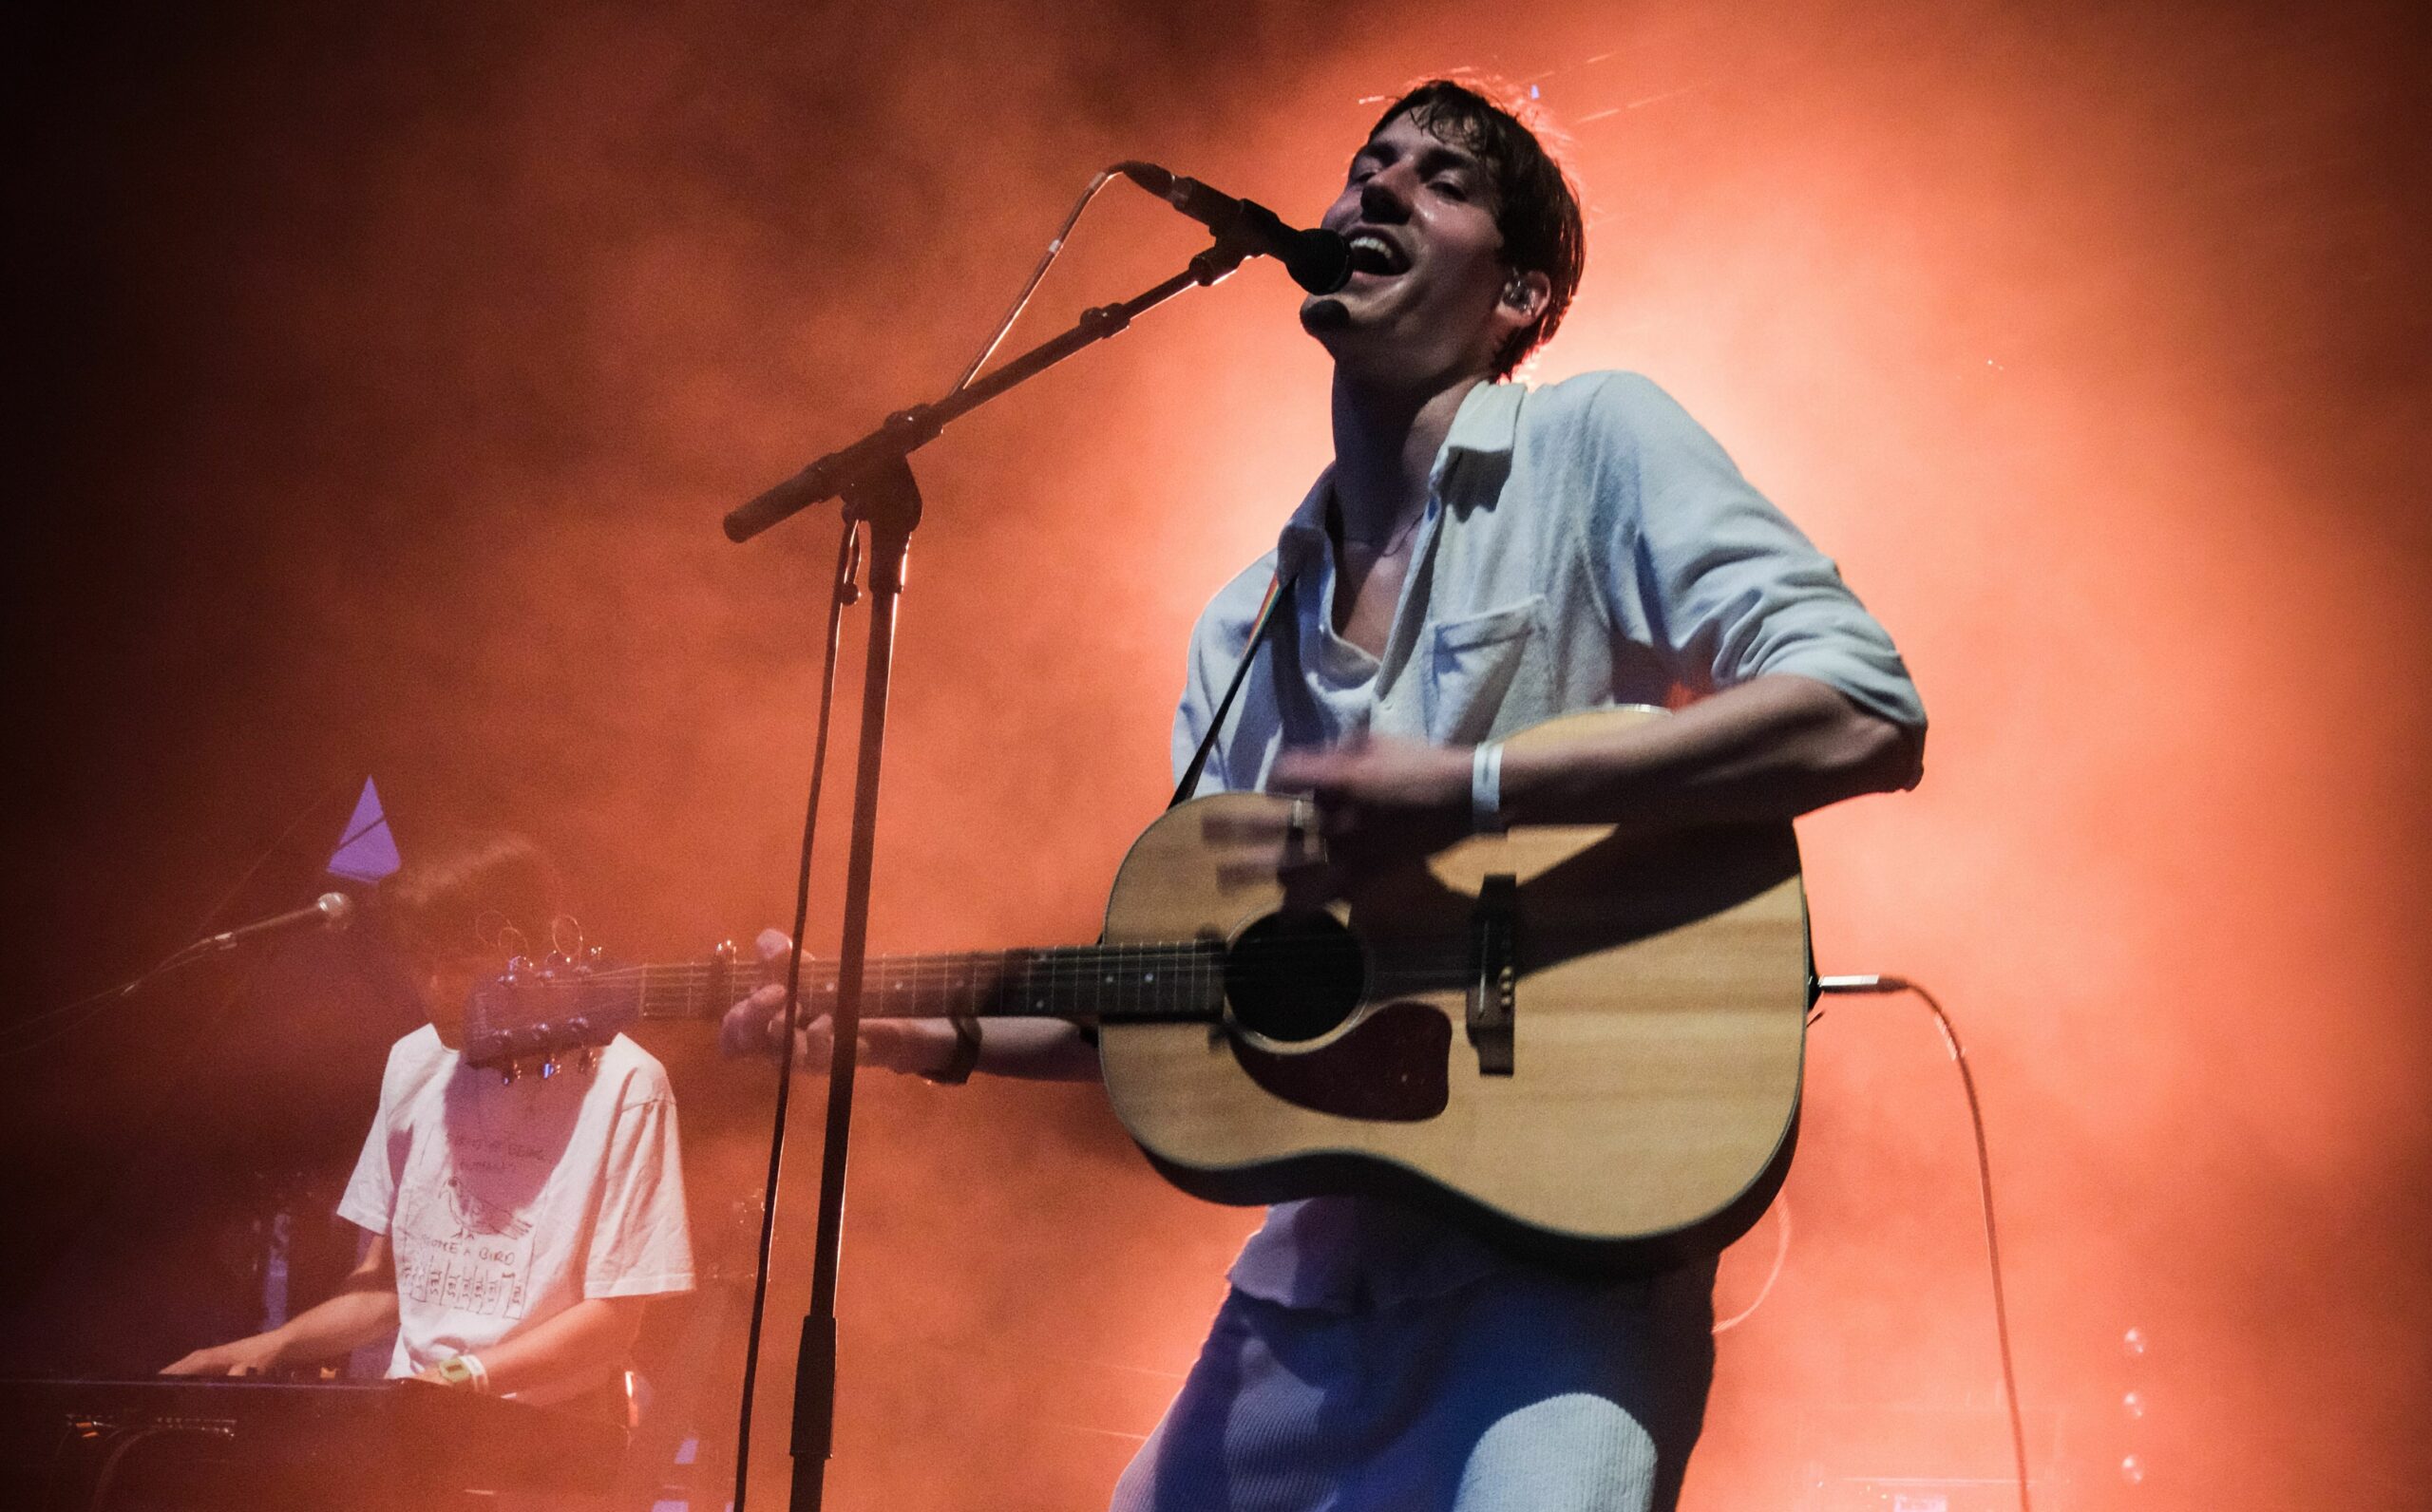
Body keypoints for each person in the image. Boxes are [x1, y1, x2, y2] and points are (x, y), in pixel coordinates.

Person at [730, 78, 1925, 1512]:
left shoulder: (1595, 444)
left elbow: (1865, 705)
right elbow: (1219, 995)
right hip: (1315, 1303)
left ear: (1520, 295)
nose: (1376, 189)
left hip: (1565, 1285)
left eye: (1439, 180)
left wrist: (1475, 790)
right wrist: (942, 1033)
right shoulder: (1246, 627)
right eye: (1367, 166)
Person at [165, 830, 695, 1424]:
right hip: (414, 1420)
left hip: (549, 1437)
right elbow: (390, 1285)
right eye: (424, 965)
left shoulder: (627, 1084)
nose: (438, 989)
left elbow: (614, 1320)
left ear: (538, 960)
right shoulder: (413, 1062)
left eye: (465, 968)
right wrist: (264, 1347)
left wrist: (462, 1377)